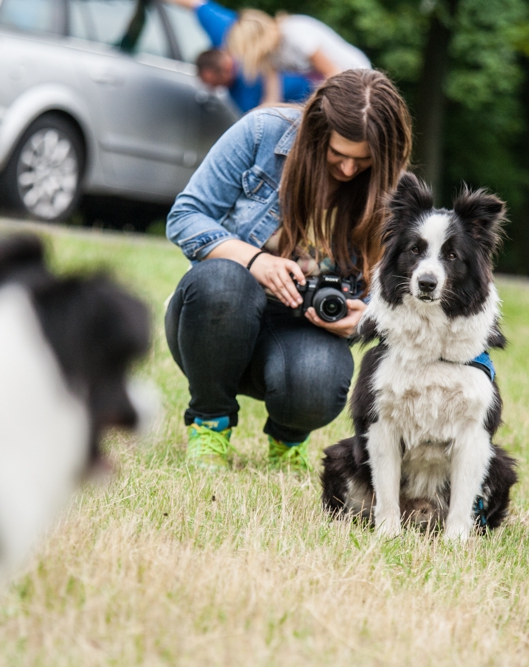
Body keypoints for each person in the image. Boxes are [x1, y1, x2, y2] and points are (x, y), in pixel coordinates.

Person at [165, 69, 412, 471]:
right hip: (214, 318)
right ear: (317, 134)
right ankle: (210, 423)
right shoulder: (263, 134)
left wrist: (367, 317)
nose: (349, 170)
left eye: (363, 161)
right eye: (338, 154)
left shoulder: (394, 190)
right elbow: (185, 216)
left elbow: (398, 292)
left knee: (318, 379)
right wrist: (255, 260)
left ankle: (288, 437)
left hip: (304, 331)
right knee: (223, 280)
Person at [166, 0, 312, 112]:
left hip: (311, 85)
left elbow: (196, 4)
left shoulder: (225, 32)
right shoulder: (243, 99)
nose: (217, 89)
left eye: (217, 83)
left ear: (227, 67)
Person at [226, 9, 371, 105]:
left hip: (356, 75)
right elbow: (272, 98)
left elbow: (333, 73)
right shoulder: (270, 55)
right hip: (332, 84)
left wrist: (310, 105)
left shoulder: (294, 32)